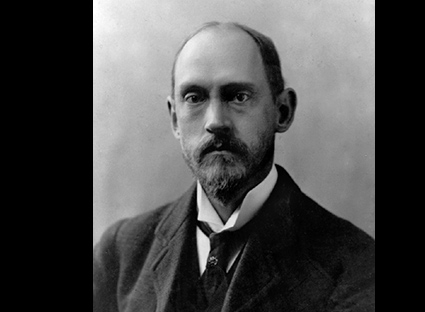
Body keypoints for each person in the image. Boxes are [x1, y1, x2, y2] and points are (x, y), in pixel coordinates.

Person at [93, 21, 375, 312]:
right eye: (194, 98)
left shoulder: (355, 266)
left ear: (282, 111)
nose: (215, 121)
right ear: (175, 119)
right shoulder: (121, 253)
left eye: (238, 96)